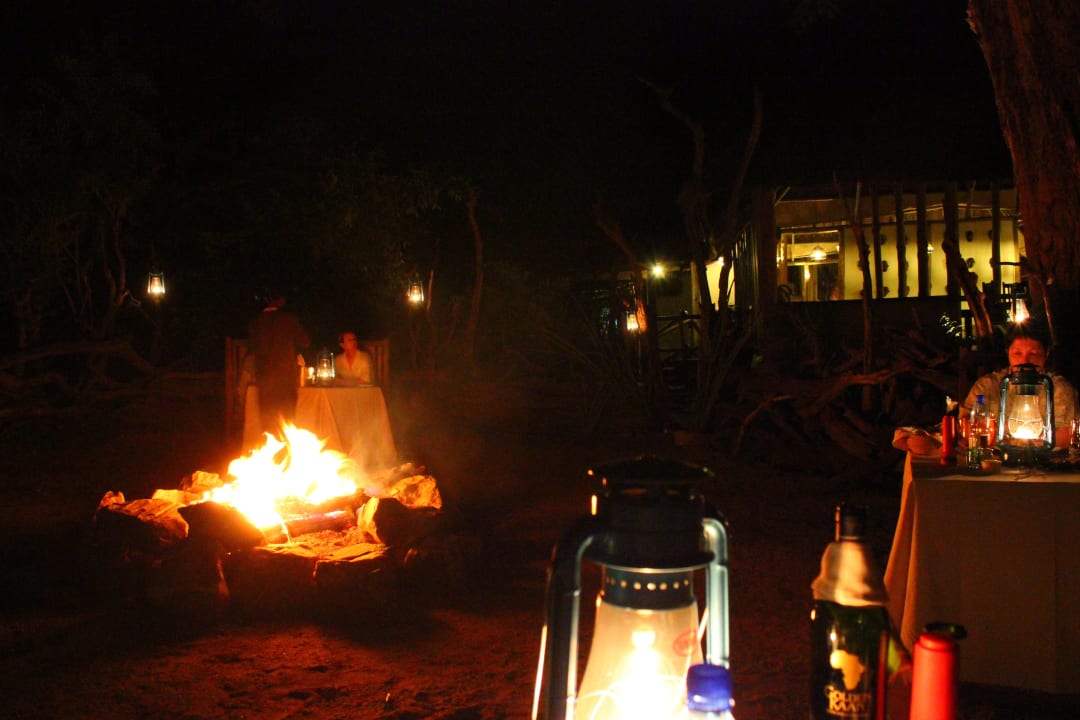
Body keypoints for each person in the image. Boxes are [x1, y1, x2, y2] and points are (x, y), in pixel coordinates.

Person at [963, 323, 1078, 448]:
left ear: (1046, 353)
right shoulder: (987, 387)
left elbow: (1068, 434)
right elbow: (967, 426)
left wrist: (1030, 446)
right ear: (1008, 353)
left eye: (1033, 354)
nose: (1025, 361)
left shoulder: (1059, 389)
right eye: (1017, 354)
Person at [247, 292, 311, 435]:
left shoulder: (255, 322)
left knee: (267, 418)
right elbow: (305, 341)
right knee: (287, 417)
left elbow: (252, 346)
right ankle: (286, 450)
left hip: (263, 376)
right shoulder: (288, 320)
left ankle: (271, 448)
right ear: (280, 301)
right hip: (285, 376)